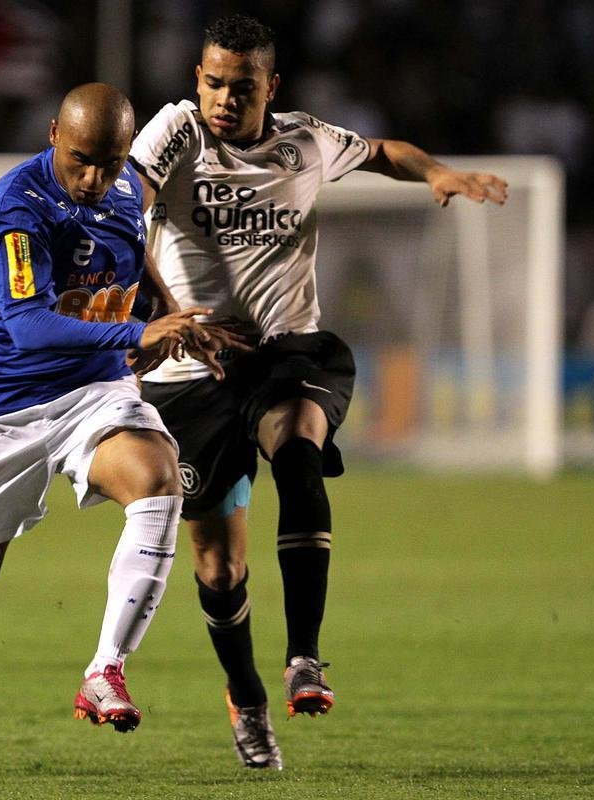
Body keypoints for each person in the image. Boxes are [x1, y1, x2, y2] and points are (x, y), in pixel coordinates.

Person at [129, 14, 509, 769]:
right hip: (192, 372)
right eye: (212, 82)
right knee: (219, 568)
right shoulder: (173, 135)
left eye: (243, 86)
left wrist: (435, 172)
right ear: (195, 81)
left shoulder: (305, 141)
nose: (224, 99)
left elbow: (383, 153)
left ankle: (305, 657)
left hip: (283, 352)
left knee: (299, 445)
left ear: (273, 86)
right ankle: (246, 696)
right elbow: (119, 210)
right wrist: (164, 313)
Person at [0, 82, 243, 777]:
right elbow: (29, 327)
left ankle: (106, 671)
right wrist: (139, 328)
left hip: (96, 388)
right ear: (51, 136)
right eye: (80, 160)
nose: (96, 178)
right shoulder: (17, 207)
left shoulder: (127, 188)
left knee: (159, 481)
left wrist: (176, 316)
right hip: (6, 406)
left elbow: (134, 255)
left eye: (110, 160)